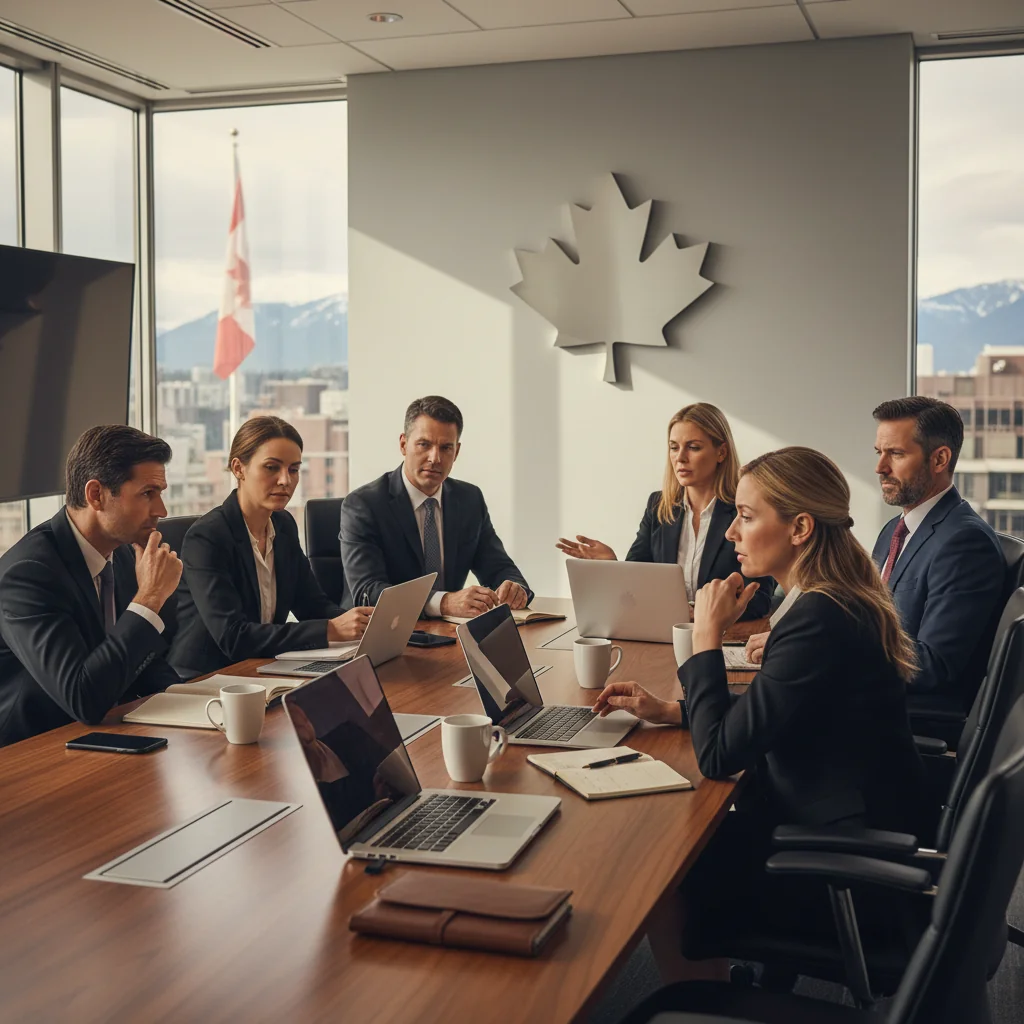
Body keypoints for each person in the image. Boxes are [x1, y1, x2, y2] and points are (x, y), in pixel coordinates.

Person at [592, 448, 927, 973]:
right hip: (857, 828)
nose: (731, 533)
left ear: (799, 528)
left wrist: (706, 638)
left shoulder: (818, 616)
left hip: (846, 865)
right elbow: (791, 708)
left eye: (746, 517)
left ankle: (700, 1005)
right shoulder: (832, 599)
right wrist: (676, 710)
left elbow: (720, 755)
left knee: (658, 865)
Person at [0, 425, 182, 747]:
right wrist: (150, 598)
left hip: (103, 735)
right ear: (96, 495)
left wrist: (193, 700)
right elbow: (82, 697)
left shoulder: (122, 554)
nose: (162, 511)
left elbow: (145, 661)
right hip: (34, 751)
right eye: (147, 494)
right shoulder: (28, 574)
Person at [169, 416, 372, 679]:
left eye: (294, 469)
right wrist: (330, 629)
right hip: (206, 678)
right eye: (271, 468)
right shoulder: (208, 537)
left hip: (261, 669)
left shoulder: (284, 525)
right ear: (238, 468)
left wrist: (363, 624)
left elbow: (312, 605)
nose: (285, 480)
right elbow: (233, 636)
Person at [556, 403, 773, 620]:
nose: (680, 458)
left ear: (721, 452)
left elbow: (761, 598)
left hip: (724, 637)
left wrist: (700, 612)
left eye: (694, 447)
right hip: (664, 632)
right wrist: (612, 565)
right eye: (674, 447)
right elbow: (637, 584)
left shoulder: (744, 510)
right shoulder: (658, 505)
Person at [871, 397, 1004, 723]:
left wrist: (829, 655)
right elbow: (869, 618)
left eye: (896, 454)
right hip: (878, 696)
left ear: (940, 458)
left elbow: (932, 665)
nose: (880, 467)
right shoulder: (894, 529)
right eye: (879, 453)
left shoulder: (965, 542)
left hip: (910, 715)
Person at [340, 396, 532, 618]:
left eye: (445, 447)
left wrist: (515, 588)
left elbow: (498, 567)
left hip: (445, 634)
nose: (435, 458)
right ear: (403, 444)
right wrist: (443, 602)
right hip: (377, 635)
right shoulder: (364, 505)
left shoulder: (469, 499)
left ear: (456, 452)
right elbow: (368, 591)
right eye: (424, 444)